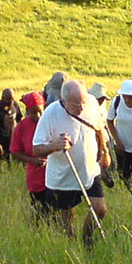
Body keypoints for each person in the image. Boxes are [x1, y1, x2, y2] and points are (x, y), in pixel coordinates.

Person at [33, 79, 112, 246]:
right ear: (64, 101)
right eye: (76, 105)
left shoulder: (90, 102)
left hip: (90, 170)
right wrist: (55, 146)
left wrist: (104, 152)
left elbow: (99, 127)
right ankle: (71, 245)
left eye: (83, 102)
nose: (82, 108)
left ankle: (87, 240)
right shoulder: (50, 114)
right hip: (63, 176)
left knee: (100, 209)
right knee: (67, 217)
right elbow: (36, 148)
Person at [10, 91, 51, 222]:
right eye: (33, 112)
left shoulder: (51, 121)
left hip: (54, 172)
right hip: (35, 174)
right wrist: (33, 160)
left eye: (40, 111)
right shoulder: (21, 127)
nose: (38, 116)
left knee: (56, 207)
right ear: (27, 111)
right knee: (39, 210)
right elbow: (15, 151)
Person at [87, 82, 116, 187]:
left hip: (104, 136)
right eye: (100, 98)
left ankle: (107, 178)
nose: (102, 100)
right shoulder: (87, 106)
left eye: (103, 98)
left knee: (109, 162)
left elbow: (104, 121)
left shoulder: (102, 105)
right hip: (92, 139)